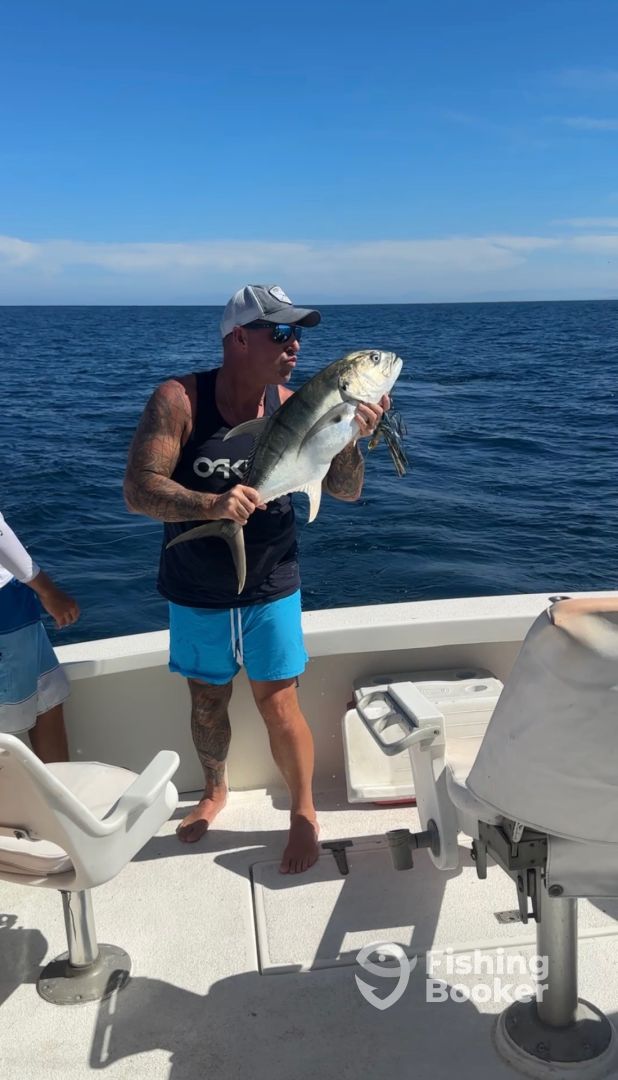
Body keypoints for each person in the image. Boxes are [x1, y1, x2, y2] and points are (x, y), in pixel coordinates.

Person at [123, 284, 388, 873]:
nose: (296, 346)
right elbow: (139, 490)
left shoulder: (294, 403)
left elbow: (345, 490)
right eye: (282, 333)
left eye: (299, 335)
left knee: (280, 702)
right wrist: (211, 506)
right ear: (239, 338)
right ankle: (214, 791)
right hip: (195, 583)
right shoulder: (179, 400)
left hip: (272, 577)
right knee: (207, 701)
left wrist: (352, 437)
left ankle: (303, 810)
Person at [0, 510, 80, 761]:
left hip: (14, 597)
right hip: (5, 607)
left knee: (47, 697)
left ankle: (59, 783)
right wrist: (47, 591)